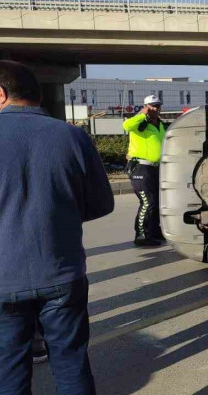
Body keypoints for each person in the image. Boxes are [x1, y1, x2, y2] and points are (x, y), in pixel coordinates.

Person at [0, 60, 114, 394]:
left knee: (8, 367)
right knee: (70, 363)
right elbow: (103, 203)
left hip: (3, 280)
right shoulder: (72, 137)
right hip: (62, 273)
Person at [123, 95, 167, 246]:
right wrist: (141, 114)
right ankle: (142, 234)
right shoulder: (140, 123)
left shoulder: (160, 124)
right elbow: (126, 126)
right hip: (141, 167)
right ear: (146, 106)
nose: (156, 108)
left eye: (158, 106)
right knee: (147, 201)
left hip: (156, 168)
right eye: (152, 106)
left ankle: (154, 231)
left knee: (157, 202)